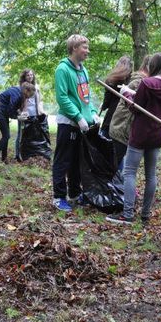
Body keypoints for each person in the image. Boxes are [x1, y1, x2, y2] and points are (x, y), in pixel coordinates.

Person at [106, 53, 161, 225]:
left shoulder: (146, 83)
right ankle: (145, 214)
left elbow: (135, 108)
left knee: (129, 172)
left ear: (153, 66)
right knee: (151, 174)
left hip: (141, 133)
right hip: (157, 133)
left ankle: (127, 214)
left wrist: (126, 94)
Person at [52, 34, 100, 212]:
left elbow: (86, 96)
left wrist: (93, 113)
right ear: (74, 48)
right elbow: (62, 97)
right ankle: (58, 197)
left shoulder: (84, 70)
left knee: (77, 161)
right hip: (68, 123)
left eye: (87, 47)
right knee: (62, 161)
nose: (87, 51)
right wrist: (78, 116)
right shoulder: (62, 70)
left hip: (83, 125)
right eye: (84, 47)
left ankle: (74, 193)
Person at [109, 55, 150, 167]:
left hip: (123, 129)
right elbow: (131, 107)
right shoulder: (139, 82)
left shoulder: (144, 81)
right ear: (148, 66)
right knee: (114, 165)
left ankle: (115, 183)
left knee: (118, 164)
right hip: (121, 128)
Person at [0, 82, 36, 163]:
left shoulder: (19, 91)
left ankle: (4, 158)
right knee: (6, 136)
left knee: (6, 135)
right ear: (26, 90)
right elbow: (10, 110)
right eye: (28, 96)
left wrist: (20, 113)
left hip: (3, 112)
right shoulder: (17, 94)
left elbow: (12, 108)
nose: (27, 98)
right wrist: (18, 117)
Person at [99, 56, 132, 139]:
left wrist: (102, 106)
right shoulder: (131, 83)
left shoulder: (111, 81)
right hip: (124, 121)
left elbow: (106, 103)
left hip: (110, 120)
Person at [16, 69, 45, 161]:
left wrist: (40, 111)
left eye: (31, 75)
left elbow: (39, 100)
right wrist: (21, 113)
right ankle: (18, 154)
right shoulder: (21, 87)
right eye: (28, 75)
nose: (30, 77)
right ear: (24, 76)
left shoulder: (37, 86)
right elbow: (21, 101)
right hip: (24, 114)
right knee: (21, 134)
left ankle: (32, 153)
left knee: (33, 134)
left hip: (35, 114)